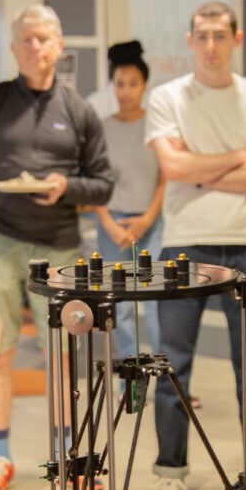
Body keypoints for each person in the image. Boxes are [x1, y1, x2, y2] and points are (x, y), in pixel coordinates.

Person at [0, 3, 114, 490]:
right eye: (27, 40)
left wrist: (68, 187)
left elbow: (103, 185)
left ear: (60, 47)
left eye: (45, 39)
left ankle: (69, 458)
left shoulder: (80, 111)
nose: (36, 47)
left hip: (60, 248)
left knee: (61, 358)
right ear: (14, 48)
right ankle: (1, 456)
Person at [144, 0, 246, 490]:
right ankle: (170, 473)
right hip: (183, 242)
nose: (211, 45)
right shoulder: (166, 98)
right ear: (190, 41)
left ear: (235, 40)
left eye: (220, 36)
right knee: (173, 366)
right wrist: (237, 155)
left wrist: (198, 167)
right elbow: (171, 165)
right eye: (202, 36)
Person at [94, 40, 165, 357]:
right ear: (112, 86)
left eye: (133, 83)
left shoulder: (157, 125)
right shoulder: (102, 128)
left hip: (152, 223)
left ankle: (167, 380)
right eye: (120, 83)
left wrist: (149, 218)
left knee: (156, 304)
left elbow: (166, 175)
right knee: (119, 306)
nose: (126, 91)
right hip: (113, 225)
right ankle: (128, 379)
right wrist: (108, 222)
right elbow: (95, 181)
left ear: (145, 85)